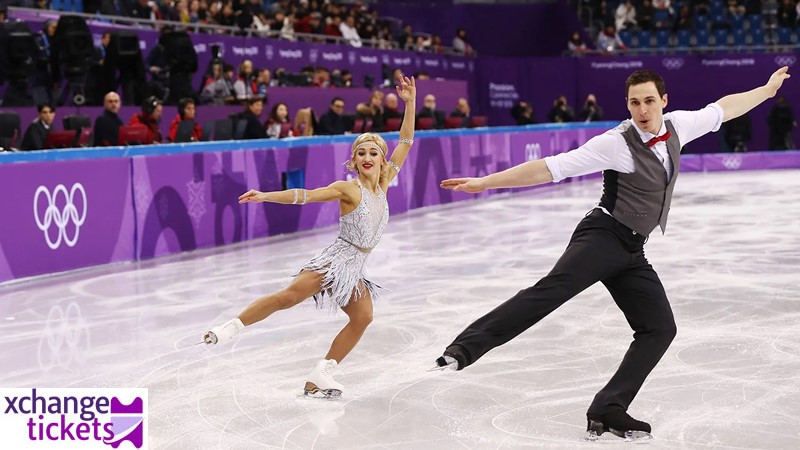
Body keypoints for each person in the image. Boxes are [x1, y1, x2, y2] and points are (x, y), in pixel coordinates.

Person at [432, 67, 791, 440]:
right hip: (602, 236)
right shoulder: (616, 143)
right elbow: (552, 168)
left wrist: (766, 91)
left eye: (650, 100)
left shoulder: (679, 126)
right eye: (635, 102)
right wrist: (486, 182)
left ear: (663, 101)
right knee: (552, 291)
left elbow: (723, 109)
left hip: (633, 250)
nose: (643, 109)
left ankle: (609, 407)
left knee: (659, 328)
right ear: (628, 105)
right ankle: (464, 349)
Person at [202, 76, 417, 398]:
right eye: (361, 153)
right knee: (288, 297)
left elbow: (406, 142)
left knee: (363, 317)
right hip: (335, 261)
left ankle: (321, 374)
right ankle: (232, 326)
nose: (367, 157)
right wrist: (265, 196)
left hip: (355, 268)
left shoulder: (384, 182)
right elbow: (306, 195)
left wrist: (410, 103)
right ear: (354, 161)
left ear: (382, 160)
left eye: (373, 152)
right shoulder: (348, 188)